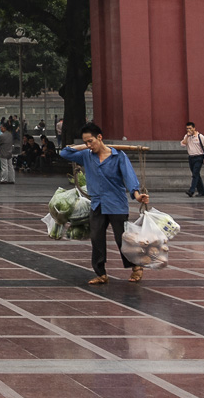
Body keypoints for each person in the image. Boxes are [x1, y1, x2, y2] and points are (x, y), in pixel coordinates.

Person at [60, 122, 150, 285]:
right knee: (96, 238)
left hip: (116, 204)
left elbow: (130, 177)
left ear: (100, 137)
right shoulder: (86, 155)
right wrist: (85, 146)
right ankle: (101, 273)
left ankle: (136, 266)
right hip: (97, 204)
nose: (89, 145)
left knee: (122, 239)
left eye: (91, 141)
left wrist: (137, 196)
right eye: (86, 142)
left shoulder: (118, 156)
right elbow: (64, 153)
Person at [180, 121, 204, 197]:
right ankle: (202, 192)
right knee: (196, 175)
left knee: (195, 174)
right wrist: (187, 136)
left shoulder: (200, 136)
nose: (189, 130)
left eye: (190, 128)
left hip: (199, 157)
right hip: (191, 157)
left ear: (194, 128)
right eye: (187, 128)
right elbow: (183, 144)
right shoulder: (187, 136)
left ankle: (191, 190)